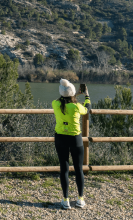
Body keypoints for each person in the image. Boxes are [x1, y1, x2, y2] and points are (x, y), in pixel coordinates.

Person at [52, 78, 91, 210]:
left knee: (64, 169)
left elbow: (62, 99)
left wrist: (73, 94)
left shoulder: (55, 104)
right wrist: (86, 95)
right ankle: (80, 199)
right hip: (76, 139)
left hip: (60, 138)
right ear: (72, 94)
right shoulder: (77, 107)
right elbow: (87, 108)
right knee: (79, 169)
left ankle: (65, 200)